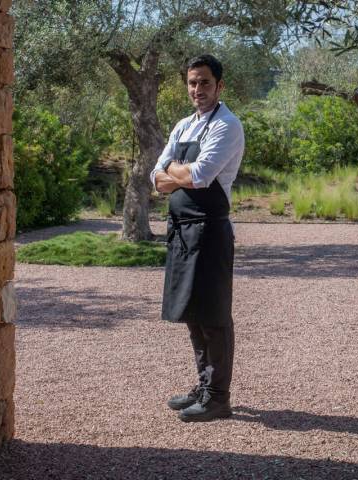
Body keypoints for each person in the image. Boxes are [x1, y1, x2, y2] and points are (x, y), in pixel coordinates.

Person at [150, 54, 244, 422]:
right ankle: (204, 384)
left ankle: (218, 397)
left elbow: (202, 175)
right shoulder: (183, 126)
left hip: (210, 230)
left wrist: (172, 171)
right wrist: (177, 173)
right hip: (182, 232)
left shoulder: (227, 125)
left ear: (219, 86)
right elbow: (154, 179)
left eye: (204, 82)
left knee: (214, 315)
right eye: (192, 82)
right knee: (191, 313)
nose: (197, 89)